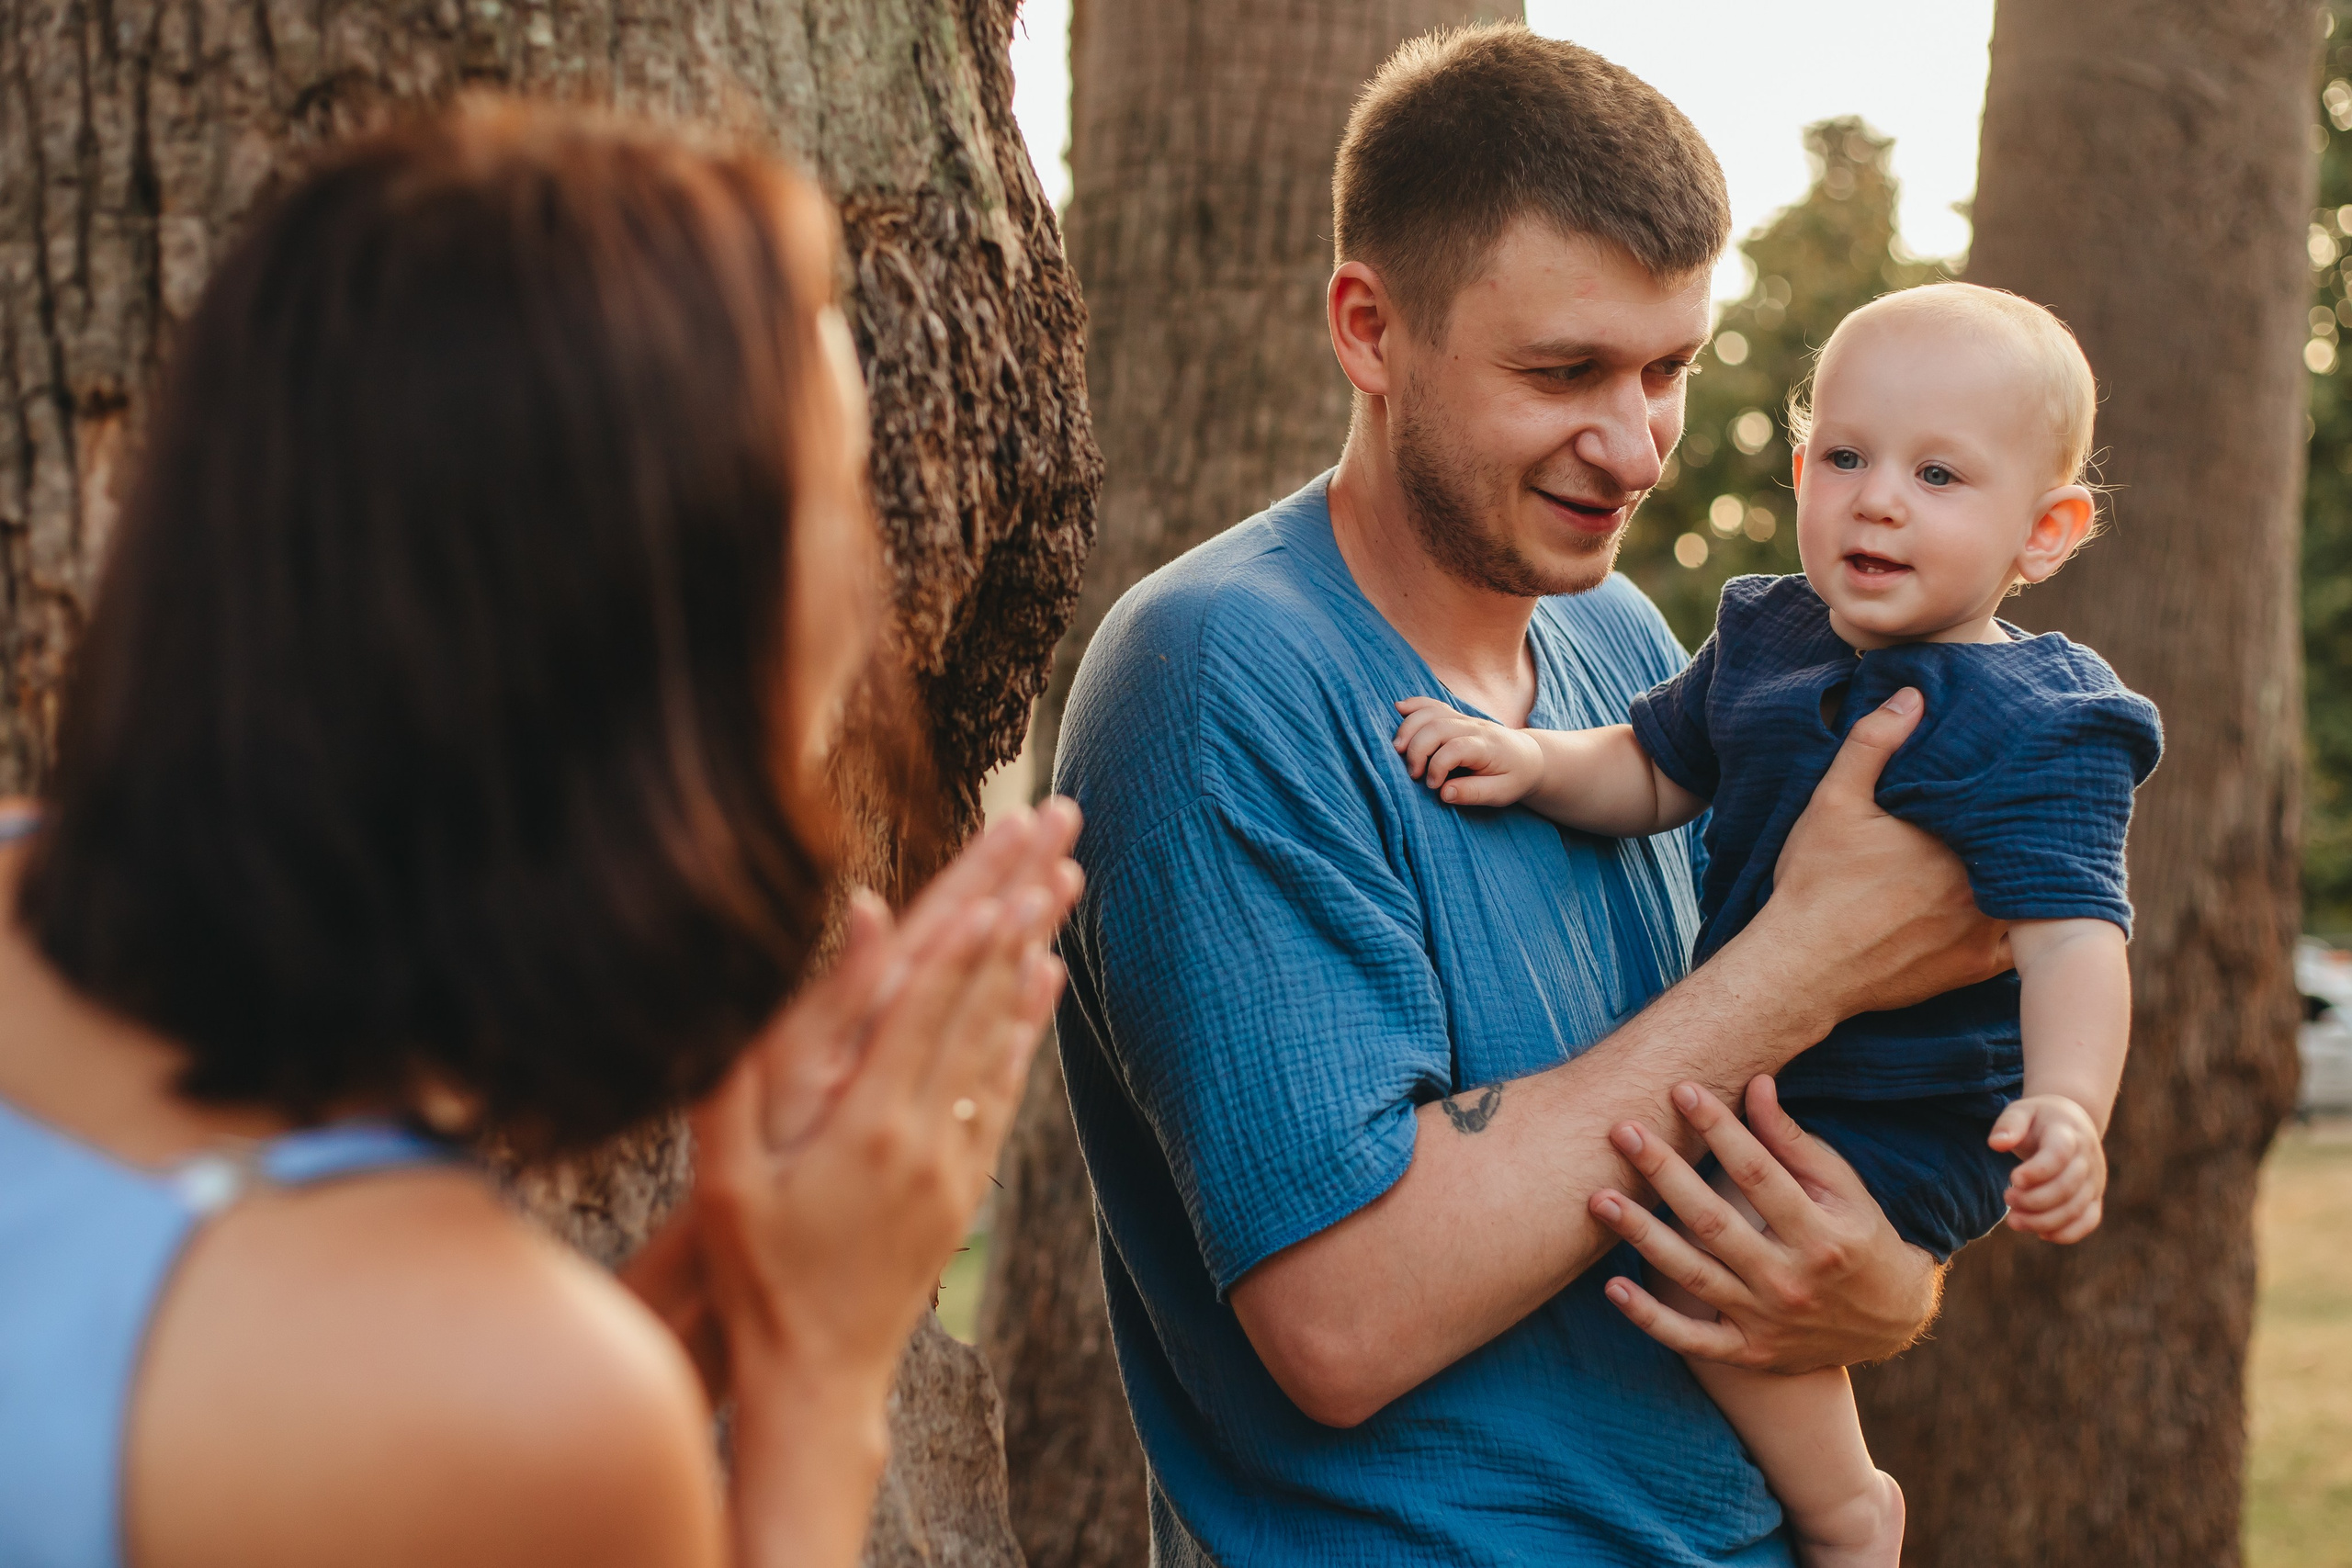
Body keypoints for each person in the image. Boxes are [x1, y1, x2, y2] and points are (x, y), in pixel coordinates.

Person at [0, 99, 1081, 1568]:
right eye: (830, 515)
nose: (865, 600)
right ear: (639, 671)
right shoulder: (530, 1408)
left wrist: (710, 1292)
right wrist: (822, 1374)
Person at [1052, 24, 2011, 1567]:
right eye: (1564, 371)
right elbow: (1342, 1321)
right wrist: (1815, 956)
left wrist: (1882, 1286)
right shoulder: (1219, 673)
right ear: (1370, 329)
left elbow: (1741, 1122)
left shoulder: (1620, 644)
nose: (1634, 447)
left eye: (1669, 369)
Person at [1395, 281, 2163, 1566]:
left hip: (1908, 1108)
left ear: (2047, 531)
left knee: (1712, 1252)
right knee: (1691, 1225)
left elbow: (2074, 939)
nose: (1878, 498)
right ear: (1802, 469)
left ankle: (1847, 1504)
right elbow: (1652, 770)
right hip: (1770, 1072)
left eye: (1939, 475)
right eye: (1847, 458)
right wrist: (1532, 762)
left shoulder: (2044, 720)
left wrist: (2074, 1106)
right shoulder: (1767, 636)